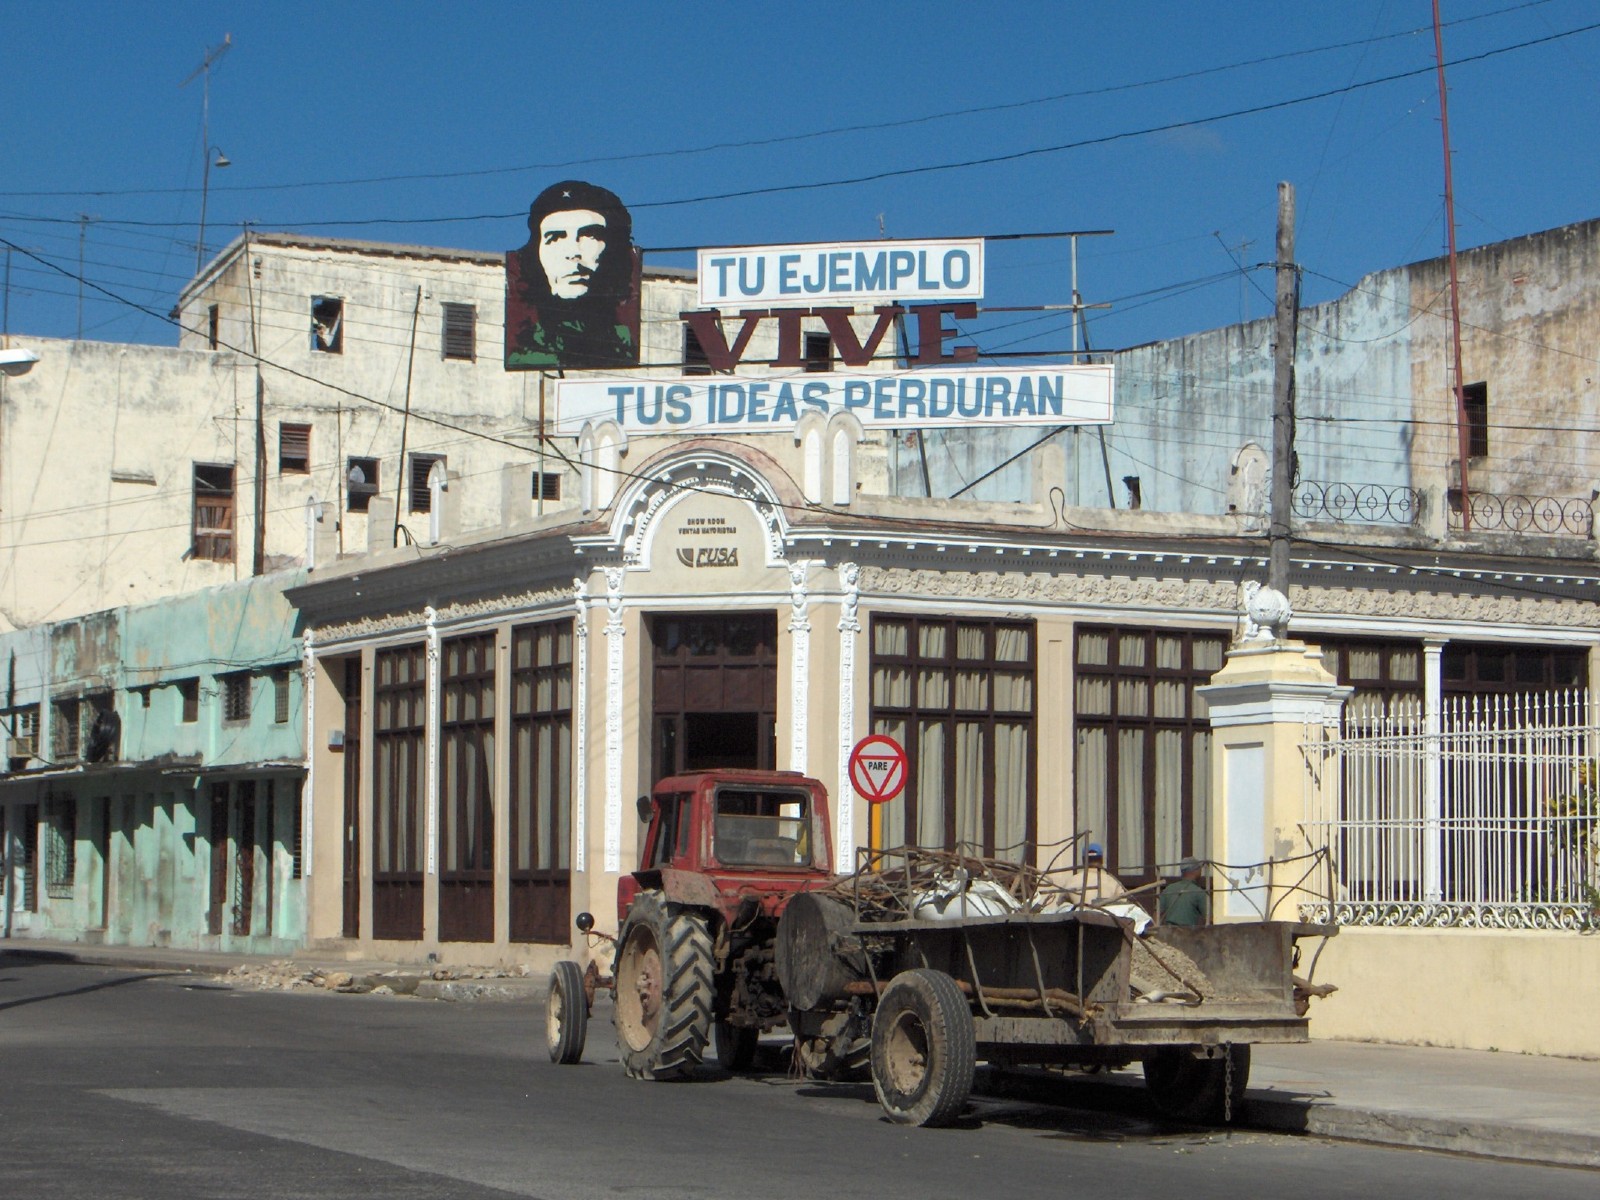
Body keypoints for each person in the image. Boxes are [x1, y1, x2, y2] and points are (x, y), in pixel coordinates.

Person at [505, 180, 640, 370]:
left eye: (590, 235)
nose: (573, 252)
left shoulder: (627, 343)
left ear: (614, 250)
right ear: (535, 253)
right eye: (555, 238)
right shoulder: (523, 350)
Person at [1061, 841, 1128, 904]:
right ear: (1101, 860)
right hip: (1104, 915)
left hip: (1079, 915)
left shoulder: (1071, 881)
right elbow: (1123, 902)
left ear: (1083, 860)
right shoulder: (1112, 881)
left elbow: (1061, 904)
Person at [1158, 857, 1209, 926]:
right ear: (1195, 871)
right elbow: (1209, 918)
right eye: (1199, 869)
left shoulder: (1169, 889)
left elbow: (1157, 913)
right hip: (1188, 933)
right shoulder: (1199, 892)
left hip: (1169, 932)